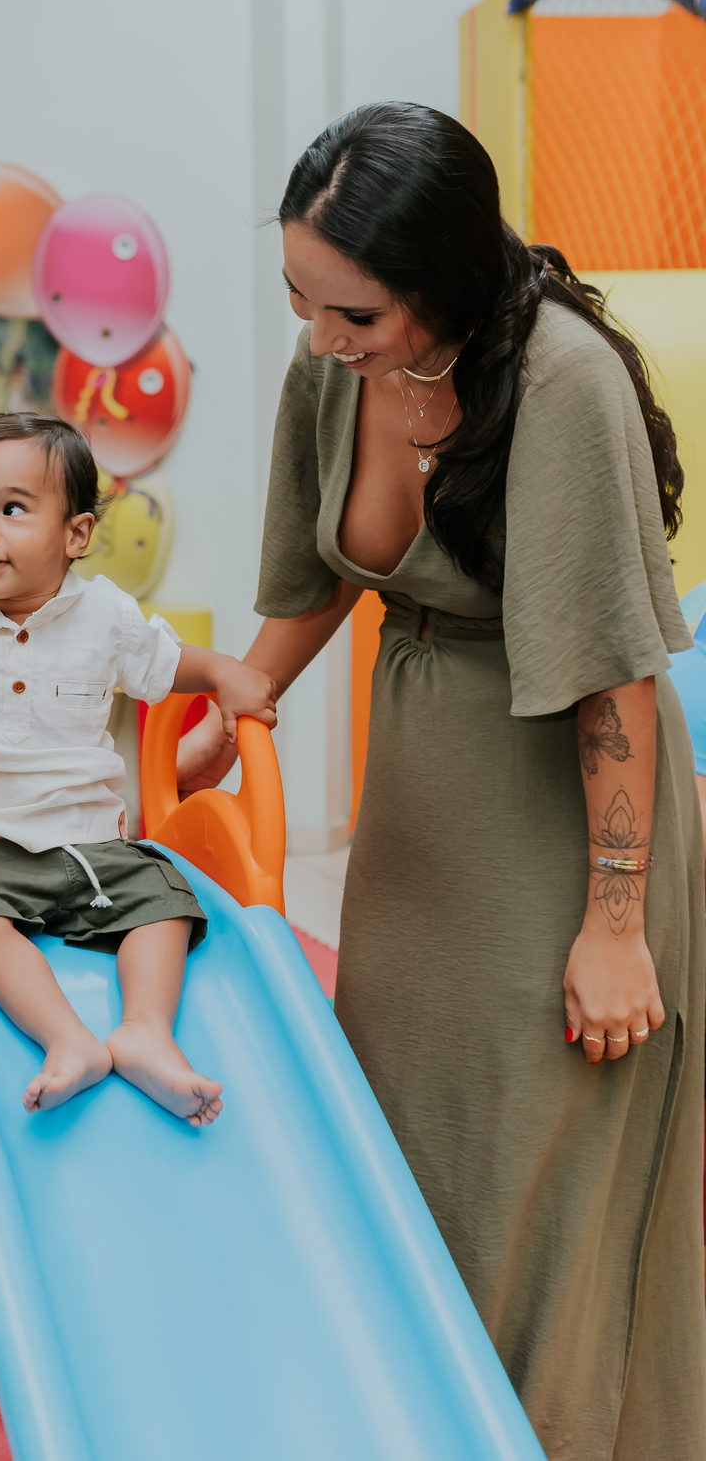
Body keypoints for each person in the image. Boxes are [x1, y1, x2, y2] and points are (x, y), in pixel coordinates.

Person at [178, 103, 706, 1459]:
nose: (317, 335)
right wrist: (217, 733)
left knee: (545, 1160)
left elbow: (612, 679)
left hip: (574, 802)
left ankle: (558, 1434)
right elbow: (312, 583)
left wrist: (614, 921)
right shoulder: (338, 368)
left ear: (444, 280)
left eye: (349, 309)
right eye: (299, 297)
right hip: (422, 793)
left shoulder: (561, 380)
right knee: (409, 1136)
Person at [0, 411, 276, 1126]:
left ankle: (144, 1030)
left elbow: (168, 664)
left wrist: (224, 672)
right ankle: (67, 1039)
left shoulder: (105, 615)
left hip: (94, 844)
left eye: (11, 509)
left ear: (77, 535)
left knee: (168, 902)